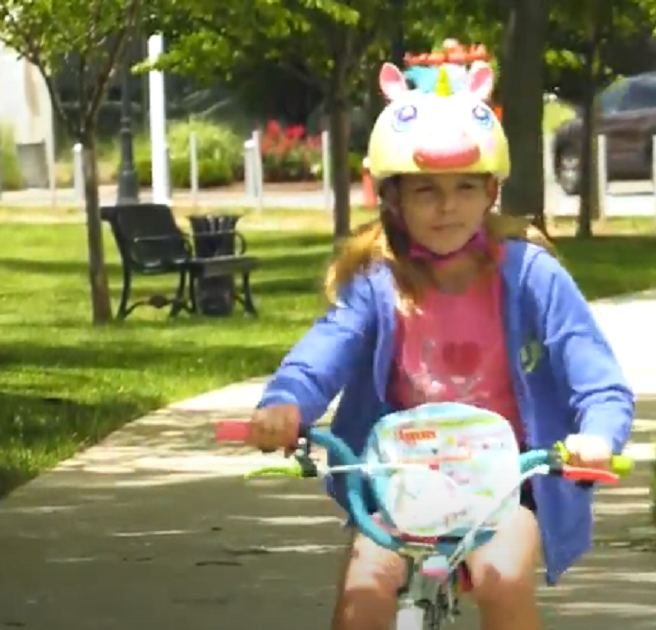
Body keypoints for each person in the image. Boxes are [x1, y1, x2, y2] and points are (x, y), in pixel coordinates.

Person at [243, 59, 634, 630]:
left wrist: (597, 436)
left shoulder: (532, 275)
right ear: (392, 195)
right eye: (426, 190)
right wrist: (286, 403)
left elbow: (595, 375)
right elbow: (324, 349)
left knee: (502, 579)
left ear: (491, 191)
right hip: (399, 478)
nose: (446, 206)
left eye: (464, 188)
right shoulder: (378, 279)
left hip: (504, 478)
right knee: (364, 593)